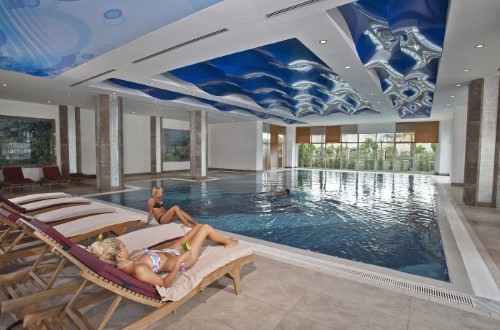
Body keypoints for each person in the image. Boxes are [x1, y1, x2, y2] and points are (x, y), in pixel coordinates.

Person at [90, 224, 238, 288]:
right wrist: (180, 259)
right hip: (184, 259)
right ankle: (227, 242)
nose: (125, 246)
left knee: (197, 227)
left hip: (171, 251)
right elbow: (165, 283)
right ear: (119, 254)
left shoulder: (130, 259)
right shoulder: (139, 270)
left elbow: (154, 254)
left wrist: (172, 245)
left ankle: (221, 239)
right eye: (123, 245)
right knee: (205, 228)